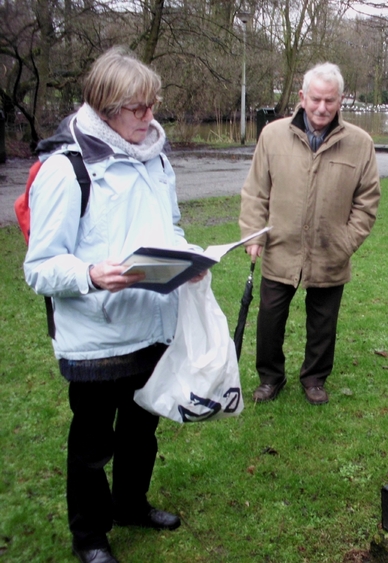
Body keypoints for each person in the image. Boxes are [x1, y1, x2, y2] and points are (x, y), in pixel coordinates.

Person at [24, 47, 203, 563]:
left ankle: (130, 504)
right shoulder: (66, 169)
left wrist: (187, 258)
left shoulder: (157, 157)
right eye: (138, 108)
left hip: (152, 324)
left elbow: (168, 228)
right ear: (104, 107)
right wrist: (88, 274)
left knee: (142, 428)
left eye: (153, 104)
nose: (150, 117)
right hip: (97, 337)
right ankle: (90, 536)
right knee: (91, 446)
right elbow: (38, 267)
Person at [239, 62, 380, 406]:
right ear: (302, 97)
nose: (321, 108)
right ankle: (270, 377)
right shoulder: (272, 135)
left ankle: (315, 378)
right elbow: (256, 191)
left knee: (323, 322)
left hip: (330, 251)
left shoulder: (360, 144)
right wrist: (254, 235)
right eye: (315, 99)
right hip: (280, 247)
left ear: (340, 100)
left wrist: (346, 242)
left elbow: (367, 201)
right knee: (270, 318)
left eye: (329, 101)